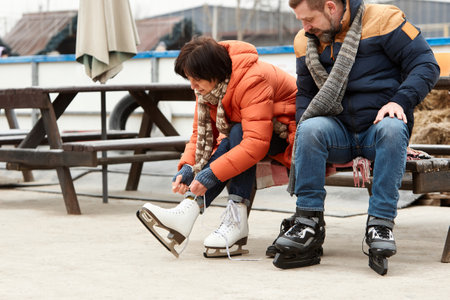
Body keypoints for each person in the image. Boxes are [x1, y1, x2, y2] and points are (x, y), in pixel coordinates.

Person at [271, 0, 440, 275]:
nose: (304, 27)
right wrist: (301, 129)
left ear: (330, 7)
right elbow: (305, 93)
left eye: (308, 19)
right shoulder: (305, 40)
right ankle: (308, 221)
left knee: (394, 128)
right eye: (301, 20)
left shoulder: (386, 20)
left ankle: (381, 224)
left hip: (378, 130)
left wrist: (400, 101)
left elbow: (426, 64)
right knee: (309, 128)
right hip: (337, 133)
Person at [137, 36, 297, 258]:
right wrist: (187, 168)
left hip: (290, 133)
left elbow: (255, 145)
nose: (192, 86)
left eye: (196, 79)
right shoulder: (210, 89)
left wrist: (209, 175)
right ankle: (191, 213)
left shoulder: (251, 79)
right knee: (236, 134)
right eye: (188, 79)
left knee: (238, 133)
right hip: (255, 133)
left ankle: (211, 217)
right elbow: (200, 136)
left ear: (213, 72)